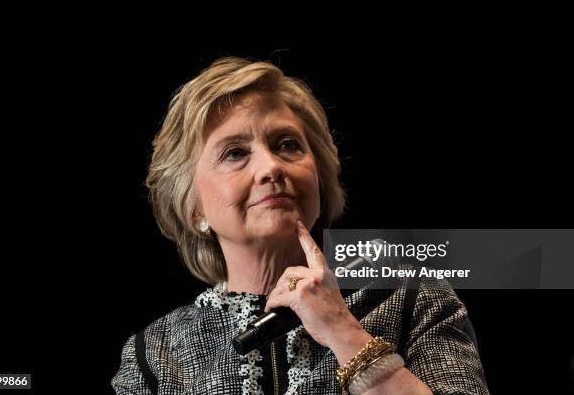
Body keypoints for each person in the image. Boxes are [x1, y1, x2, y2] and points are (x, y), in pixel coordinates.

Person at [112, 56, 489, 394]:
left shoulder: (409, 298)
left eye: (287, 144)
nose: (272, 167)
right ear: (193, 207)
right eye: (236, 153)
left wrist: (343, 331)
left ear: (319, 176)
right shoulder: (155, 355)